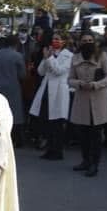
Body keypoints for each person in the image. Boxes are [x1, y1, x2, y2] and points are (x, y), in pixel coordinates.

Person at [68, 33, 107, 177]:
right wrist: (79, 84)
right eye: (84, 40)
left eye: (90, 40)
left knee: (96, 134)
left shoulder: (102, 56)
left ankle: (94, 164)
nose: (87, 42)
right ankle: (85, 160)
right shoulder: (75, 58)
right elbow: (69, 79)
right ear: (80, 42)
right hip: (82, 98)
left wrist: (97, 84)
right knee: (83, 133)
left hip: (99, 98)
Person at [29, 32, 73, 160]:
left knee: (57, 123)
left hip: (59, 91)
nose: (55, 41)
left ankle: (57, 151)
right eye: (53, 38)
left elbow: (59, 71)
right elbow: (40, 72)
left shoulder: (68, 56)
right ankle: (49, 149)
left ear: (64, 41)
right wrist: (45, 58)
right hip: (46, 89)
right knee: (47, 121)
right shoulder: (49, 54)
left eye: (58, 39)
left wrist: (49, 58)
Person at [0, 34, 27, 147]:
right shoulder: (18, 56)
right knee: (14, 113)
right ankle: (16, 139)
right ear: (16, 44)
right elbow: (22, 75)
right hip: (12, 87)